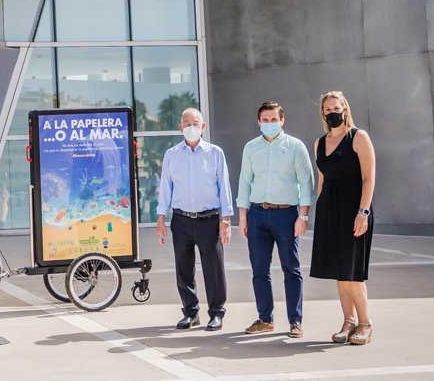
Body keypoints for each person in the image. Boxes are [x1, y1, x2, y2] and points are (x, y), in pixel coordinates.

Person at [237, 101, 315, 338]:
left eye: (274, 120)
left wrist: (303, 216)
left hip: (287, 215)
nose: (269, 124)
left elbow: (307, 183)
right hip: (257, 214)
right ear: (258, 122)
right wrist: (243, 217)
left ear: (282, 120)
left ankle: (295, 321)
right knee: (259, 269)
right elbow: (244, 182)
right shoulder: (251, 148)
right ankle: (264, 319)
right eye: (265, 120)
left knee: (291, 268)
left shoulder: (295, 147)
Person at [155, 108, 233, 331]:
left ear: (203, 127)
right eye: (186, 123)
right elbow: (165, 189)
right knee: (183, 269)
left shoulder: (215, 153)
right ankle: (190, 312)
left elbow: (224, 188)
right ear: (180, 127)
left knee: (214, 269)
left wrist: (225, 220)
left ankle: (216, 313)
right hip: (180, 220)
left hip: (209, 219)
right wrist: (161, 219)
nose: (191, 127)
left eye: (195, 123)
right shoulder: (171, 155)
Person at [310, 91, 376, 345]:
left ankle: (365, 323)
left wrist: (364, 212)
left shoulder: (359, 137)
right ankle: (348, 322)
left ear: (345, 109)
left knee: (352, 271)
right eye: (327, 109)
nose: (332, 112)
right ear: (323, 113)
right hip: (329, 211)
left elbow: (369, 178)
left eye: (336, 108)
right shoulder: (319, 143)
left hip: (354, 209)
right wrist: (320, 209)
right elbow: (322, 180)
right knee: (339, 272)